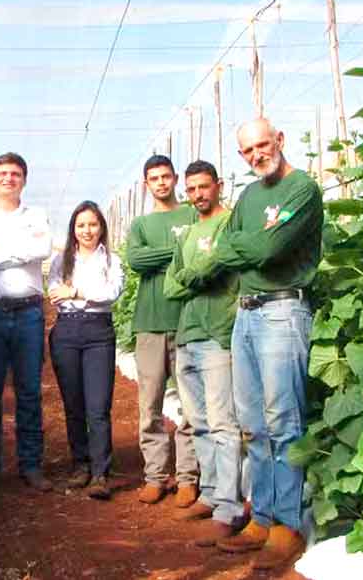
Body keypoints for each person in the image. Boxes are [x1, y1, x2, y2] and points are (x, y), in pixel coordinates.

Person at [171, 118, 323, 574]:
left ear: (280, 139)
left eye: (263, 144)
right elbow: (229, 245)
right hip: (247, 312)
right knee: (253, 423)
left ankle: (288, 527)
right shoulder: (250, 196)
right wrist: (245, 244)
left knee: (284, 419)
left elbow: (266, 252)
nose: (257, 154)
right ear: (241, 156)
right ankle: (261, 518)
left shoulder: (303, 189)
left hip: (283, 311)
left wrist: (245, 245)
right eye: (248, 150)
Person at [163, 161, 245, 545]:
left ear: (219, 185)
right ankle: (210, 493)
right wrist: (196, 277)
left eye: (203, 187)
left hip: (217, 335)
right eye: (192, 189)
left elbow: (216, 270)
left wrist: (194, 276)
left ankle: (229, 506)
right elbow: (171, 288)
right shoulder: (188, 233)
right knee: (197, 422)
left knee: (223, 423)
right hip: (187, 335)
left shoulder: (229, 224)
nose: (197, 195)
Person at [0, 152, 54, 496]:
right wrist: (19, 251)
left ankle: (31, 466)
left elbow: (43, 248)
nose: (8, 178)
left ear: (24, 180)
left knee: (29, 391)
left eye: (15, 173)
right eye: (2, 173)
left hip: (29, 313)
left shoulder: (37, 215)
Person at [125, 155, 199, 506]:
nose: (161, 183)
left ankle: (187, 477)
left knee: (190, 406)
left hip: (188, 321)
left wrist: (162, 255)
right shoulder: (140, 224)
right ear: (146, 184)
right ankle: (155, 476)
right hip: (150, 324)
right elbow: (136, 261)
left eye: (166, 176)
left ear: (175, 179)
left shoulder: (192, 214)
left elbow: (203, 250)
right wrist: (178, 250)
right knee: (149, 404)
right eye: (154, 178)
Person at [47, 201, 125, 500]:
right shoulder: (61, 261)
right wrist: (82, 294)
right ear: (73, 229)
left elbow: (111, 294)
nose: (87, 230)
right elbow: (55, 293)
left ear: (101, 227)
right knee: (74, 404)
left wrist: (77, 291)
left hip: (98, 333)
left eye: (93, 224)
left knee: (98, 406)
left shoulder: (111, 261)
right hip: (66, 331)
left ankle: (100, 472)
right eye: (81, 225)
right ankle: (80, 465)